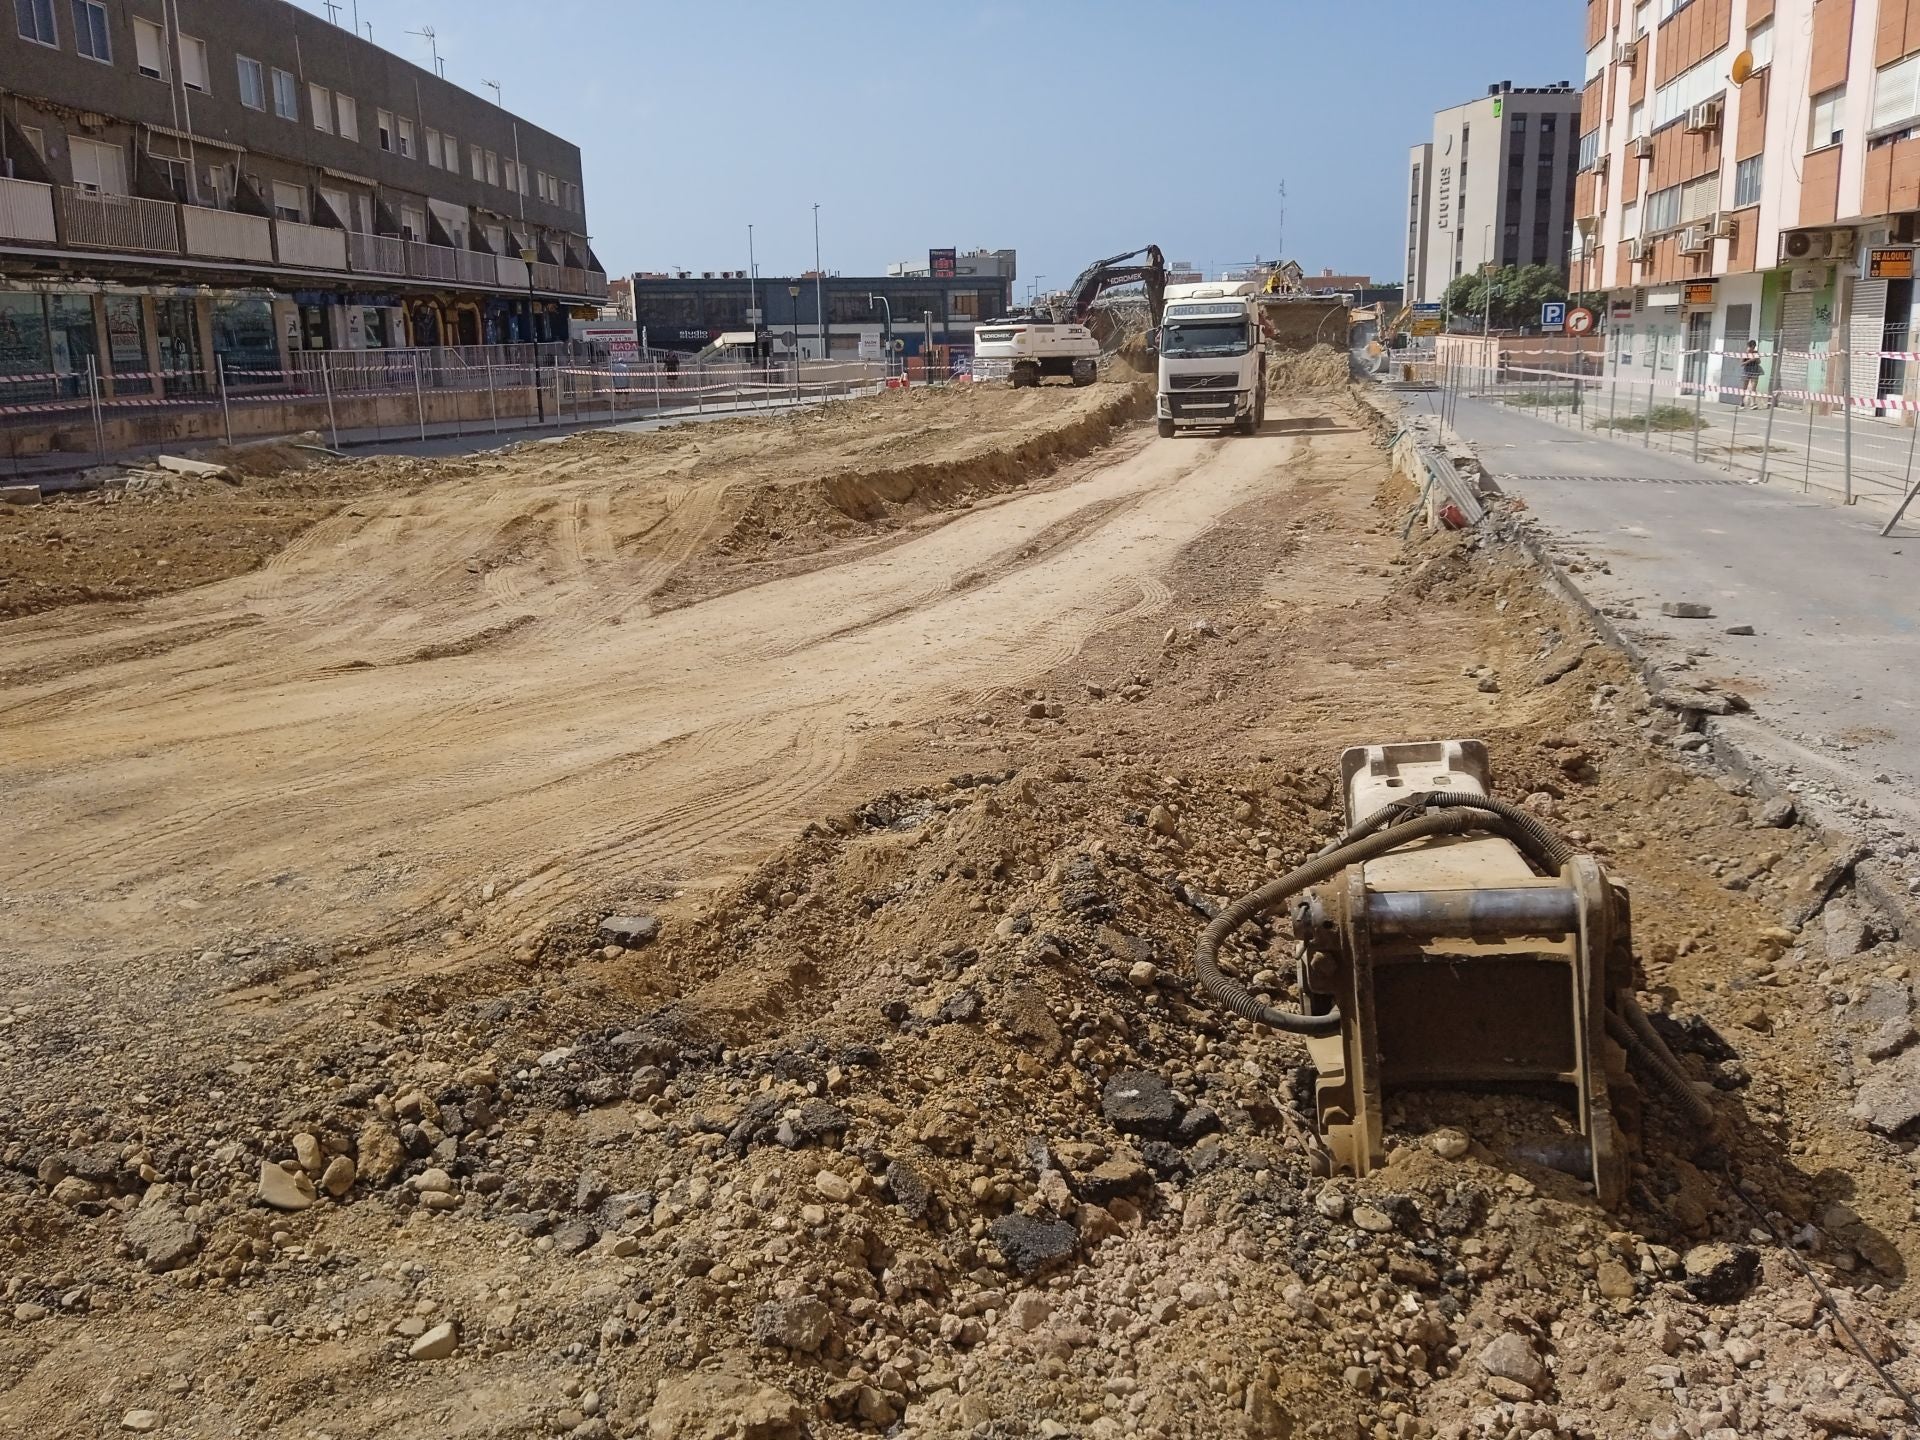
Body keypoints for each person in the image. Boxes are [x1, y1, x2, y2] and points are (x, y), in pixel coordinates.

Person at [1741, 339, 1763, 408]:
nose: (1752, 349)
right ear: (1749, 346)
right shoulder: (1745, 353)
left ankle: (1752, 403)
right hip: (1747, 370)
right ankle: (1741, 402)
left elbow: (1759, 362)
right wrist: (1750, 359)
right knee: (1744, 387)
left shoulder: (1756, 352)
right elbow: (1742, 363)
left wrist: (1756, 358)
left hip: (1755, 370)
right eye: (1751, 347)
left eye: (1754, 347)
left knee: (1753, 388)